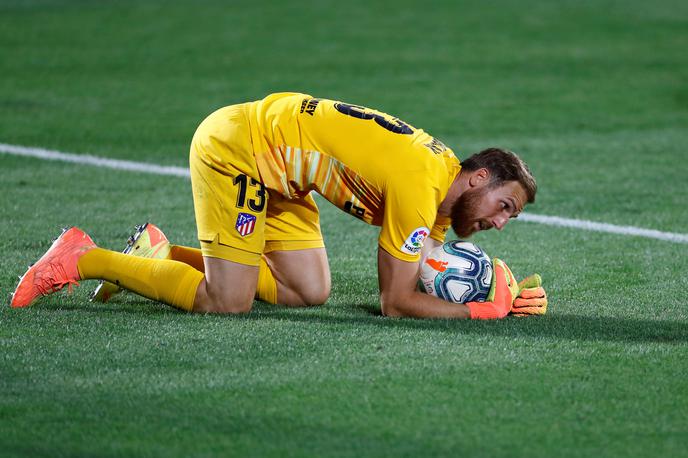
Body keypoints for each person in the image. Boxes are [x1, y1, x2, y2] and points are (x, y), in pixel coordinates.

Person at [10, 92, 547, 319]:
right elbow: (397, 300)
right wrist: (481, 309)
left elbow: (428, 262)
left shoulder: (440, 183)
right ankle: (82, 257)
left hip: (285, 178)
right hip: (240, 149)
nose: (498, 223)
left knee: (306, 292)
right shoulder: (418, 183)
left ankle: (160, 252)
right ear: (478, 177)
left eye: (507, 217)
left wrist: (501, 283)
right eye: (503, 206)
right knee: (228, 301)